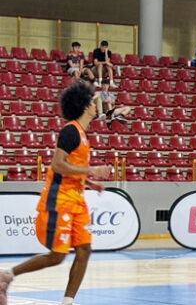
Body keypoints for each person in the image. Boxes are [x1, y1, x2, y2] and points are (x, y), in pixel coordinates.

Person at [0, 82, 112, 305]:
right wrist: (92, 170)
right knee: (57, 256)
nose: (95, 104)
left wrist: (89, 182)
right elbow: (57, 165)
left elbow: (71, 169)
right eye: (91, 101)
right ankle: (6, 275)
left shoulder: (82, 134)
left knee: (84, 250)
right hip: (60, 200)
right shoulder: (70, 131)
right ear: (83, 105)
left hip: (77, 199)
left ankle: (68, 302)